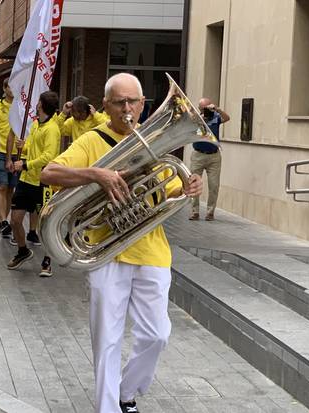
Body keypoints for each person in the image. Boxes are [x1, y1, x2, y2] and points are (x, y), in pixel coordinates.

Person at [40, 73, 202, 413]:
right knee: (107, 340)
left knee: (157, 334)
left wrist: (186, 189)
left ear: (144, 105)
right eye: (119, 102)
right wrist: (95, 174)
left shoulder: (153, 140)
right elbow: (49, 173)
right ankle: (109, 407)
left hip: (152, 252)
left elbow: (161, 190)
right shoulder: (91, 141)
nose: (127, 109)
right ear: (106, 105)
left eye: (133, 102)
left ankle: (126, 391)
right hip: (106, 254)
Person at [5, 91, 61, 277]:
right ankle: (23, 251)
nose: (36, 104)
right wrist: (24, 146)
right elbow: (33, 147)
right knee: (15, 220)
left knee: (45, 224)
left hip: (43, 183)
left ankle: (47, 260)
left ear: (42, 105)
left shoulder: (52, 129)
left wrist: (26, 163)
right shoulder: (36, 124)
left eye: (38, 102)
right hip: (26, 180)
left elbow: (48, 156)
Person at [190, 97, 229, 221]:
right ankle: (194, 212)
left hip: (214, 156)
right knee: (194, 184)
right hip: (198, 155)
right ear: (199, 108)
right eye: (203, 108)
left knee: (214, 185)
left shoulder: (216, 117)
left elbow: (227, 118)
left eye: (207, 108)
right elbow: (189, 127)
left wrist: (217, 109)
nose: (206, 111)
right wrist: (199, 116)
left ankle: (210, 212)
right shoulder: (196, 119)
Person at [0, 78, 17, 238]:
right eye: (11, 86)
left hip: (17, 153)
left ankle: (5, 222)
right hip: (1, 151)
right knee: (2, 186)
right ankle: (2, 220)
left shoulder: (21, 107)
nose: (13, 89)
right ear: (4, 87)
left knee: (10, 189)